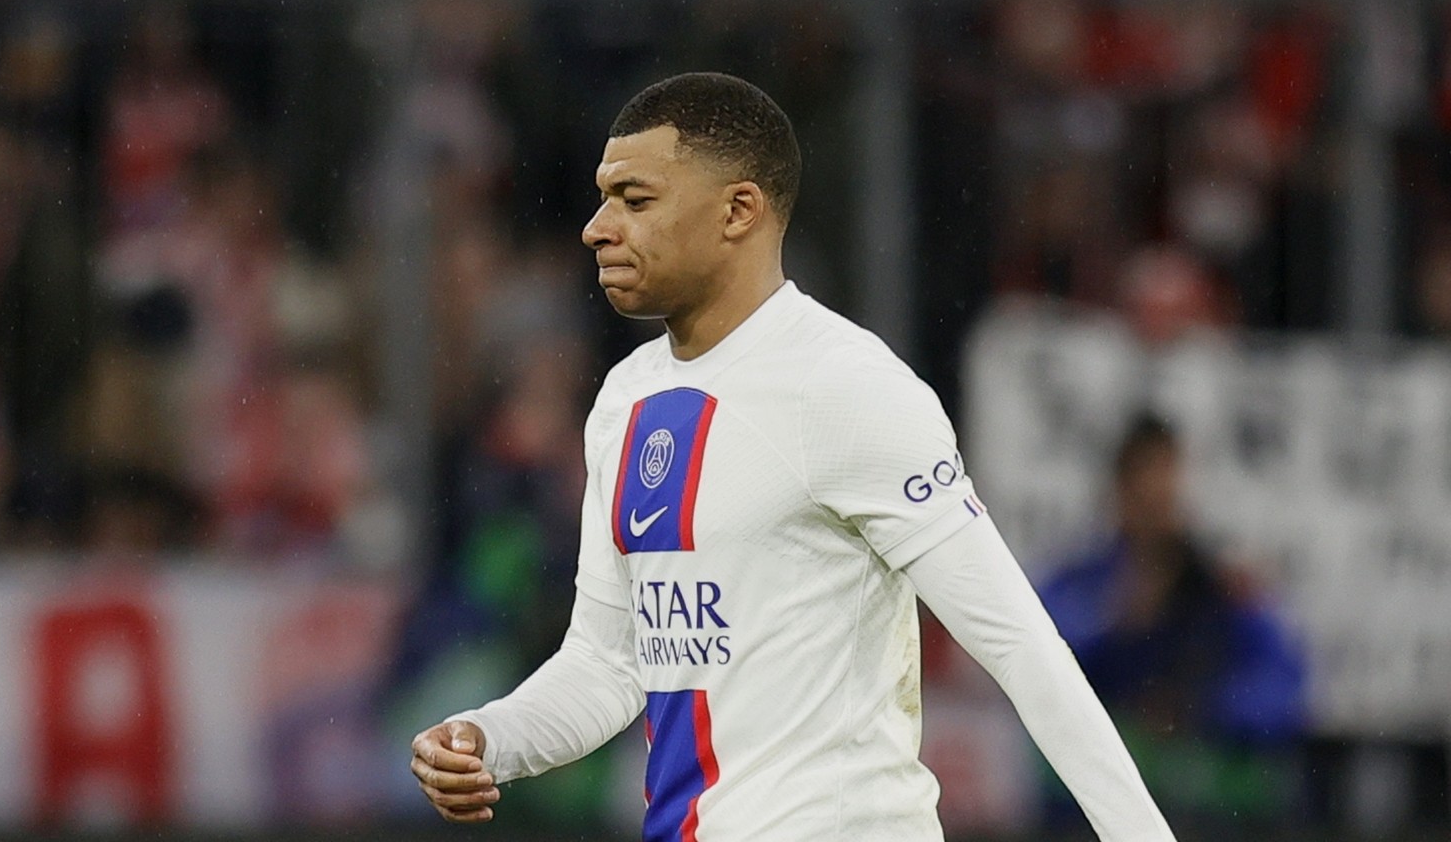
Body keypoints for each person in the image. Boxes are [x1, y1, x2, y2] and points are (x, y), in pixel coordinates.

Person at [411, 72, 1174, 840]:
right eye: (605, 197)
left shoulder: (845, 386)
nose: (597, 227)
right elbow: (610, 664)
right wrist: (488, 740)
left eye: (635, 200)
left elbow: (1017, 645)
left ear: (739, 210)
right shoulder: (626, 401)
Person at [1038, 414, 1305, 825]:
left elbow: (1285, 689)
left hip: (1205, 803)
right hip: (1097, 807)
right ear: (1119, 489)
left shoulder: (1221, 590)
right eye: (1142, 482)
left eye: (1167, 482)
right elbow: (1036, 672)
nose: (1156, 498)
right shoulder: (1083, 584)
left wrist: (1200, 707)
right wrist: (1118, 620)